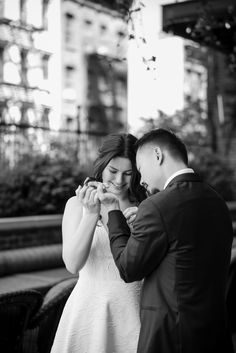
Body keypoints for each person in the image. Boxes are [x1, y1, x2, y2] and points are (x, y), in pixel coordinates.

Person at [97, 128, 234, 353]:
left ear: (158, 155)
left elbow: (127, 268)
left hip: (171, 338)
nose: (142, 181)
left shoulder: (157, 205)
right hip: (215, 334)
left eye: (140, 170)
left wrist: (113, 212)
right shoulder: (218, 201)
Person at [50, 133, 146, 353]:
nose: (120, 180)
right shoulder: (77, 204)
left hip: (135, 309)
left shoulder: (144, 206)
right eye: (113, 171)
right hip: (90, 310)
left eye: (128, 173)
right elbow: (73, 264)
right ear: (101, 166)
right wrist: (91, 214)